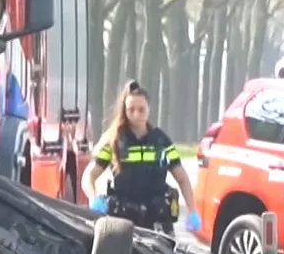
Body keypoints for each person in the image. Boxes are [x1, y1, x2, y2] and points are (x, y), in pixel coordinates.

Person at [81, 80, 199, 236]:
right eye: (131, 110)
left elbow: (182, 178)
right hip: (124, 223)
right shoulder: (115, 142)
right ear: (125, 110)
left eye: (141, 110)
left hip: (158, 222)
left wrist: (192, 210)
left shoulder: (161, 141)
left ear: (149, 109)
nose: (136, 114)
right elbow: (88, 176)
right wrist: (93, 199)